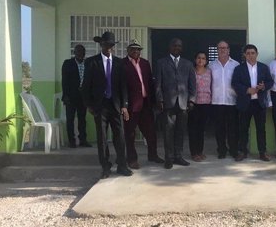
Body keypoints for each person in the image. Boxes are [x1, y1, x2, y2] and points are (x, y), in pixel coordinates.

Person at [81, 31, 132, 179]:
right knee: (102, 138)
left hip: (115, 105)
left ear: (113, 46)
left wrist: (124, 105)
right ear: (101, 45)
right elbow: (85, 86)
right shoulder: (91, 62)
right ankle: (105, 166)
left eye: (111, 45)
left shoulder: (119, 62)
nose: (108, 47)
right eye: (105, 44)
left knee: (120, 136)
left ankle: (122, 165)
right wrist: (89, 105)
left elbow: (123, 86)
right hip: (100, 106)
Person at [154, 38, 196, 169]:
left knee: (180, 131)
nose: (177, 48)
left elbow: (192, 84)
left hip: (183, 103)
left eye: (179, 46)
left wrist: (192, 100)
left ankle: (178, 156)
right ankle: (169, 158)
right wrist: (159, 99)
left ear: (181, 48)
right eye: (174, 45)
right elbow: (158, 84)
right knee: (168, 132)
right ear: (170, 47)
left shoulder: (188, 64)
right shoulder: (161, 63)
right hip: (168, 103)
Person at [122, 40, 164, 169]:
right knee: (130, 134)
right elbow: (121, 86)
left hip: (146, 104)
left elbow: (150, 83)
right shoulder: (122, 64)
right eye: (133, 49)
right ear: (128, 50)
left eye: (138, 49)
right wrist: (123, 105)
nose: (136, 51)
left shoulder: (145, 63)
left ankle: (153, 155)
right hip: (131, 105)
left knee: (151, 132)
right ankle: (132, 159)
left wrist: (155, 101)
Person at [232, 44, 274, 162]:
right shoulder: (239, 69)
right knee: (243, 128)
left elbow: (270, 82)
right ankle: (242, 151)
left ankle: (262, 152)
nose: (250, 55)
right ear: (245, 55)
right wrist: (247, 90)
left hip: (259, 103)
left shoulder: (263, 67)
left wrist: (264, 86)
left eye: (253, 53)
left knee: (261, 129)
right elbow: (235, 83)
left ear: (257, 54)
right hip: (245, 102)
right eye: (248, 53)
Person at [209, 40, 240, 159]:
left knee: (233, 128)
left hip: (232, 101)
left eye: (224, 48)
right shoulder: (211, 65)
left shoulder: (236, 65)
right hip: (216, 102)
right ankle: (221, 150)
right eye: (220, 48)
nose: (222, 50)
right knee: (219, 128)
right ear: (217, 50)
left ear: (229, 50)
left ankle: (233, 150)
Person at [61, 44, 91, 148]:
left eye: (82, 52)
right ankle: (72, 141)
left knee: (82, 119)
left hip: (83, 97)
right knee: (70, 119)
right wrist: (65, 96)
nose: (80, 54)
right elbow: (64, 81)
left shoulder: (88, 63)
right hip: (70, 97)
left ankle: (83, 140)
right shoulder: (68, 63)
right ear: (74, 53)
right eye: (78, 52)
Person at [189, 51, 211, 162]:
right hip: (193, 104)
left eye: (203, 58)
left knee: (201, 129)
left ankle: (200, 152)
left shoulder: (209, 72)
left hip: (206, 103)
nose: (200, 60)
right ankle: (193, 153)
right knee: (193, 129)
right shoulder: (191, 71)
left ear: (206, 61)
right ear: (195, 59)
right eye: (198, 58)